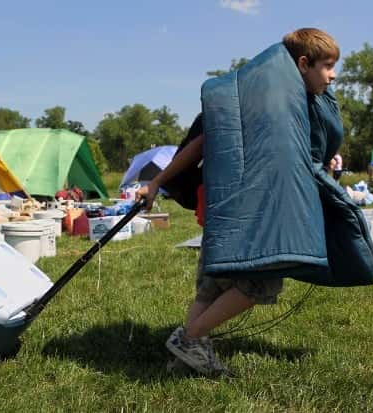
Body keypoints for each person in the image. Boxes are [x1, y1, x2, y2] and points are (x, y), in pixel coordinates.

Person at [137, 28, 340, 376]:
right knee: (259, 283)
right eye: (327, 66)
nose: (332, 75)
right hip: (252, 216)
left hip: (224, 214)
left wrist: (156, 182)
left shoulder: (262, 98)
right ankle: (189, 339)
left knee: (211, 287)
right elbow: (200, 144)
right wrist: (156, 181)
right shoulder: (271, 103)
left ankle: (185, 361)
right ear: (303, 64)